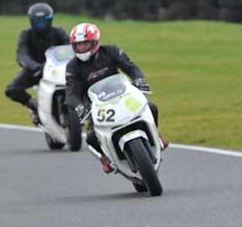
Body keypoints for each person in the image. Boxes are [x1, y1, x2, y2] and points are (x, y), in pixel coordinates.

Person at [65, 22, 168, 173]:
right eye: (78, 45)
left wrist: (139, 80)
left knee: (151, 108)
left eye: (85, 43)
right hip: (96, 106)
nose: (81, 48)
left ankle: (155, 137)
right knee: (91, 137)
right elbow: (71, 93)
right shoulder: (72, 66)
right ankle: (106, 159)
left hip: (123, 96)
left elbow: (130, 67)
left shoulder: (111, 51)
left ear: (94, 42)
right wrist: (80, 107)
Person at [5, 3, 70, 124]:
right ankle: (34, 106)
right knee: (12, 89)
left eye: (43, 21)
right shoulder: (26, 35)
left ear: (50, 20)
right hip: (36, 70)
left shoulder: (59, 32)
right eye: (37, 22)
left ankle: (87, 113)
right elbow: (22, 54)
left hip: (59, 69)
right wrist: (34, 66)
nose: (40, 25)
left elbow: (71, 47)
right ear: (31, 21)